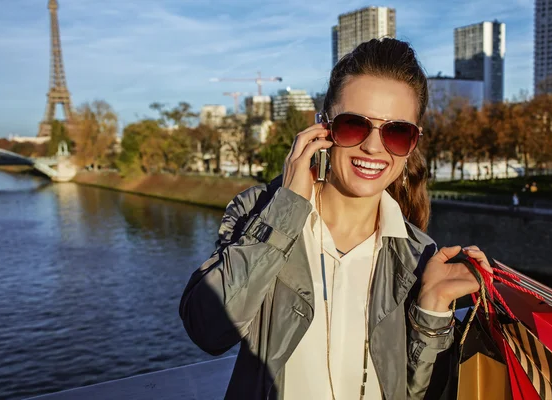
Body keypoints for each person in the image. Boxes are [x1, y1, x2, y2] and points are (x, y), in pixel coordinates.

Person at [180, 38, 492, 400]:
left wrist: (432, 309)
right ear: (322, 127)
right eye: (354, 125)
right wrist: (287, 210)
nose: (374, 147)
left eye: (397, 131)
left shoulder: (418, 253)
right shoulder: (259, 213)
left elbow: (416, 392)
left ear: (413, 143)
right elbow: (208, 329)